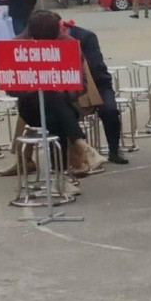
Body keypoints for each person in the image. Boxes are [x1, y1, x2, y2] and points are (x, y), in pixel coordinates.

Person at [8, 11, 106, 179]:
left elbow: (81, 85)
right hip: (31, 107)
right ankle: (81, 149)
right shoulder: (17, 46)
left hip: (65, 103)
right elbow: (11, 89)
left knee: (56, 111)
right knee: (51, 97)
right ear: (31, 34)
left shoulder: (69, 45)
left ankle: (60, 176)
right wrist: (36, 87)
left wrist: (64, 90)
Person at [66, 21, 127, 164]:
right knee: (60, 111)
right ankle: (24, 158)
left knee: (110, 110)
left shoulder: (85, 37)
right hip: (66, 88)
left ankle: (114, 150)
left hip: (97, 83)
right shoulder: (42, 37)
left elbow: (94, 65)